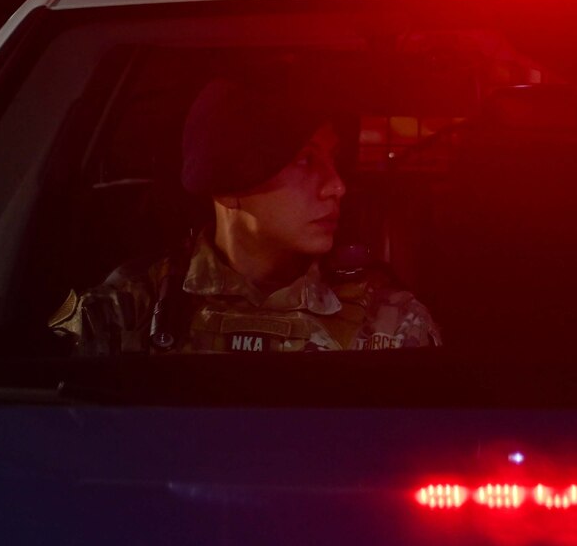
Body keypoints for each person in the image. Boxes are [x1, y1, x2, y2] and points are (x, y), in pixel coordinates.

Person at [52, 73, 439, 354]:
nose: (337, 186)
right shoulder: (121, 312)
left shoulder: (392, 322)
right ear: (229, 189)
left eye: (332, 159)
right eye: (305, 161)